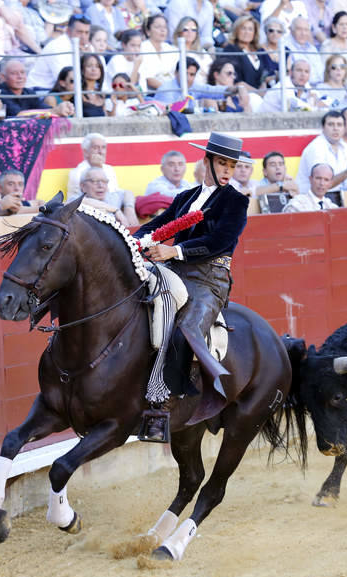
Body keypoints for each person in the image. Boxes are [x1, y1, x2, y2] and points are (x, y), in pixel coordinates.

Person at [134, 132, 249, 441]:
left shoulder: (237, 201)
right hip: (173, 270)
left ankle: (163, 408)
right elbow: (158, 225)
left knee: (186, 327)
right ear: (207, 161)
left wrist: (176, 250)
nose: (227, 170)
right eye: (222, 163)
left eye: (232, 165)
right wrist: (134, 240)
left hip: (209, 278)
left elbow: (219, 241)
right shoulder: (185, 197)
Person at [0, 58, 75, 118]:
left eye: (22, 72)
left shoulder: (29, 93)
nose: (20, 77)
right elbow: (19, 115)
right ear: (3, 76)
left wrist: (62, 108)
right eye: (14, 73)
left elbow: (44, 108)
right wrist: (54, 111)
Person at [295, 110, 347, 194]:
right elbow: (321, 185)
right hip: (311, 200)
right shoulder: (316, 147)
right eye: (331, 124)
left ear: (344, 129)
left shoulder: (346, 148)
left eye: (339, 125)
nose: (335, 128)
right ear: (323, 128)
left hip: (337, 198)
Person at [26, 14, 91, 90]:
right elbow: (66, 80)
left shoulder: (88, 47)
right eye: (79, 32)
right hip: (40, 90)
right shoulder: (57, 46)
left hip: (62, 91)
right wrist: (83, 58)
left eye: (86, 33)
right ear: (68, 31)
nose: (83, 37)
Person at [223, 15, 269, 90]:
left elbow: (263, 76)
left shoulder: (259, 51)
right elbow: (235, 81)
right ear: (237, 31)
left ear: (254, 33)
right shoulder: (231, 49)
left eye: (250, 29)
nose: (247, 32)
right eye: (243, 28)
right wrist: (258, 93)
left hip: (259, 94)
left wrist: (263, 86)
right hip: (240, 94)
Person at [257, 58, 323, 111]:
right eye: (299, 70)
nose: (303, 74)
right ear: (291, 72)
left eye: (306, 72)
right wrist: (316, 106)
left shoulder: (306, 85)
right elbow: (295, 105)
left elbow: (325, 100)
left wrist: (317, 99)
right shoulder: (283, 85)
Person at [67, 133, 120, 198]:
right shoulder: (77, 173)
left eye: (103, 147)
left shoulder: (109, 169)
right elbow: (79, 201)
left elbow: (115, 195)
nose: (101, 152)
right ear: (85, 152)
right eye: (96, 148)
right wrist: (97, 167)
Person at [319, 11, 347, 84]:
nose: (345, 27)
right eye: (341, 24)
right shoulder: (327, 45)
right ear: (334, 27)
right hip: (336, 85)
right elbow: (324, 72)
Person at [138, 14, 177, 92]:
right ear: (148, 31)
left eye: (165, 27)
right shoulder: (141, 48)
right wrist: (169, 90)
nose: (162, 30)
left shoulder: (170, 48)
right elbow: (147, 78)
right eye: (158, 27)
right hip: (152, 92)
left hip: (173, 89)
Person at [284, 16, 324, 85]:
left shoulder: (312, 48)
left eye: (306, 30)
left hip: (320, 86)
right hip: (301, 88)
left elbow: (322, 71)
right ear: (291, 30)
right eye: (299, 29)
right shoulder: (286, 48)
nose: (303, 33)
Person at [173, 17, 212, 86]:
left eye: (193, 30)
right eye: (185, 29)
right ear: (179, 32)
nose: (190, 33)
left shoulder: (202, 52)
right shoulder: (173, 51)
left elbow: (211, 71)